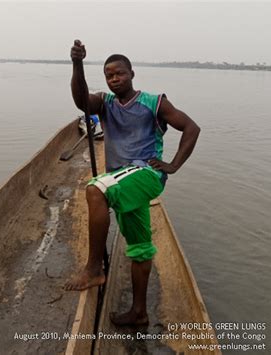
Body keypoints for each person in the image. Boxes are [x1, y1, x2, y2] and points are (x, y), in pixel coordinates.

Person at [64, 40, 200, 326]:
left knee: (95, 189)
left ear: (132, 74)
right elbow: (81, 101)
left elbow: (191, 127)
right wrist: (77, 64)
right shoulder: (105, 102)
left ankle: (93, 269)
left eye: (119, 74)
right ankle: (139, 312)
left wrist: (172, 165)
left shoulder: (154, 102)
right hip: (123, 181)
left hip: (145, 174)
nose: (114, 79)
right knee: (140, 248)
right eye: (109, 76)